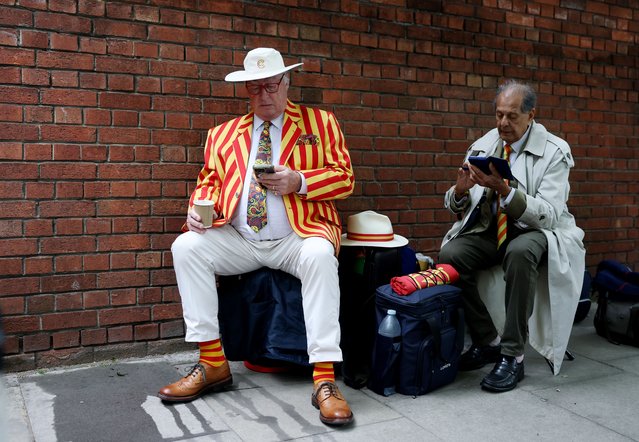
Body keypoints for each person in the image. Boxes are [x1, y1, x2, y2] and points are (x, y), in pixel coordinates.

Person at [158, 48, 355, 426]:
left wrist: (300, 181)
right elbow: (209, 185)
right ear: (246, 89)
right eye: (254, 88)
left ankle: (324, 380)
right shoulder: (222, 135)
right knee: (186, 246)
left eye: (271, 85)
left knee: (318, 257)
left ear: (286, 83)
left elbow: (345, 177)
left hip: (298, 237)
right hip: (241, 239)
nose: (264, 95)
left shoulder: (320, 123)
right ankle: (213, 362)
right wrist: (199, 209)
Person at [438, 80, 585, 392]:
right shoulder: (483, 144)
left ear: (531, 115)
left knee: (519, 252)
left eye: (512, 116)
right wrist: (460, 192)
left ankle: (512, 356)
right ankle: (486, 338)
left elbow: (549, 213)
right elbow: (456, 202)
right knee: (450, 257)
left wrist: (506, 191)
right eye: (498, 115)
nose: (503, 123)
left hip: (541, 231)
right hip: (492, 230)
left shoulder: (555, 151)